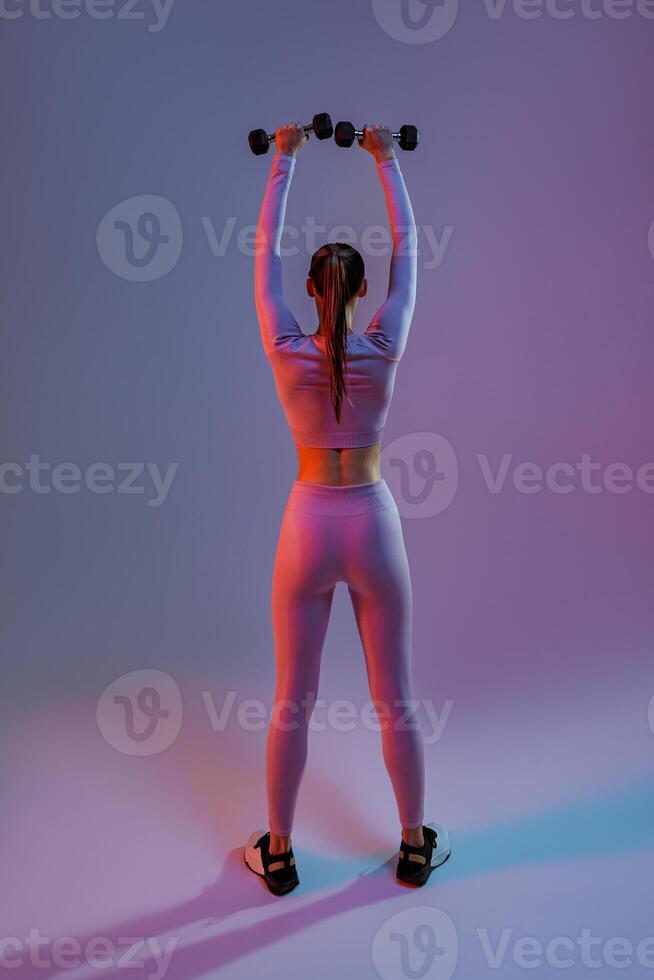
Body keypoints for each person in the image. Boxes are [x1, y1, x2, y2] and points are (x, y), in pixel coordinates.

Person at [244, 122, 450, 895]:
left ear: (310, 291)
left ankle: (281, 851)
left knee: (291, 699)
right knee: (394, 695)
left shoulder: (282, 346)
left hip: (307, 524)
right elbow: (413, 256)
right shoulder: (385, 342)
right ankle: (413, 845)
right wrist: (384, 158)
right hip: (371, 521)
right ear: (362, 292)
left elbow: (261, 260)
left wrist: (285, 160)